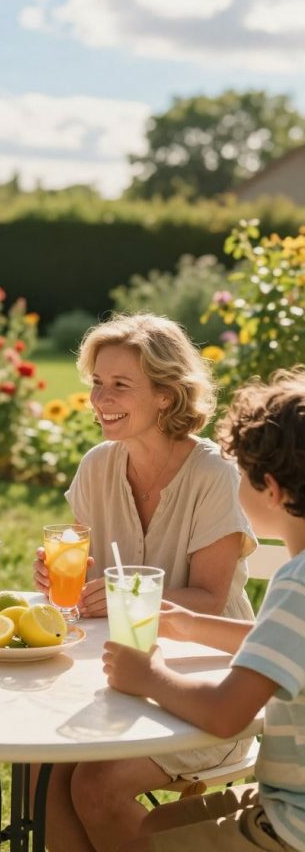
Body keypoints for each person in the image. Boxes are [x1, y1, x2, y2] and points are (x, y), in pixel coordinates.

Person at [33, 313, 257, 852]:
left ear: (165, 395)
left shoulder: (214, 474)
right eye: (96, 383)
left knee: (95, 784)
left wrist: (112, 594)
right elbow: (84, 576)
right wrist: (56, 576)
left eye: (120, 385)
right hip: (116, 676)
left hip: (211, 683)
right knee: (46, 769)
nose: (100, 398)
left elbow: (208, 596)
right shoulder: (97, 467)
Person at [107, 366, 305, 852]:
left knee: (145, 843)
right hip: (286, 799)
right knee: (149, 828)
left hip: (289, 822)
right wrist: (193, 626)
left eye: (240, 475)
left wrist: (148, 676)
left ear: (273, 490)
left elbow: (224, 714)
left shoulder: (297, 583)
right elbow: (283, 645)